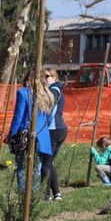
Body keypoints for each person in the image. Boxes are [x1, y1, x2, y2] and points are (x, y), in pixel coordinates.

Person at [7, 69, 55, 192]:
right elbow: (49, 120)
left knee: (22, 168)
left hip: (27, 136)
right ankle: (33, 197)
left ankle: (24, 197)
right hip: (42, 137)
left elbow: (18, 117)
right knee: (36, 169)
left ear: (29, 79)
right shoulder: (47, 95)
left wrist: (11, 135)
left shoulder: (24, 93)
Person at [42, 68, 67, 200]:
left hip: (53, 129)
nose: (44, 79)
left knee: (45, 163)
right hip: (58, 129)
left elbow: (50, 103)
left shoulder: (53, 89)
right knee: (49, 162)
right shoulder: (56, 88)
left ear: (54, 77)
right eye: (43, 76)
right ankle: (56, 193)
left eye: (47, 76)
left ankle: (46, 194)